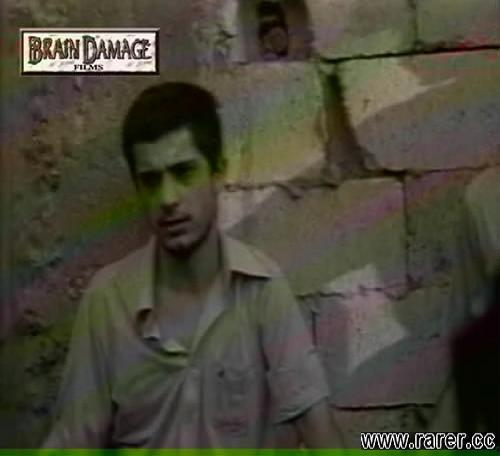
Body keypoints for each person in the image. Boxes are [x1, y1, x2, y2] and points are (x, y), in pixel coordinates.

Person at [44, 82, 342, 448]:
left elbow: (320, 432)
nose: (168, 198)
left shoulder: (261, 289)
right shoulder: (107, 302)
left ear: (218, 173)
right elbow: (74, 442)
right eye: (151, 181)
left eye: (184, 173)